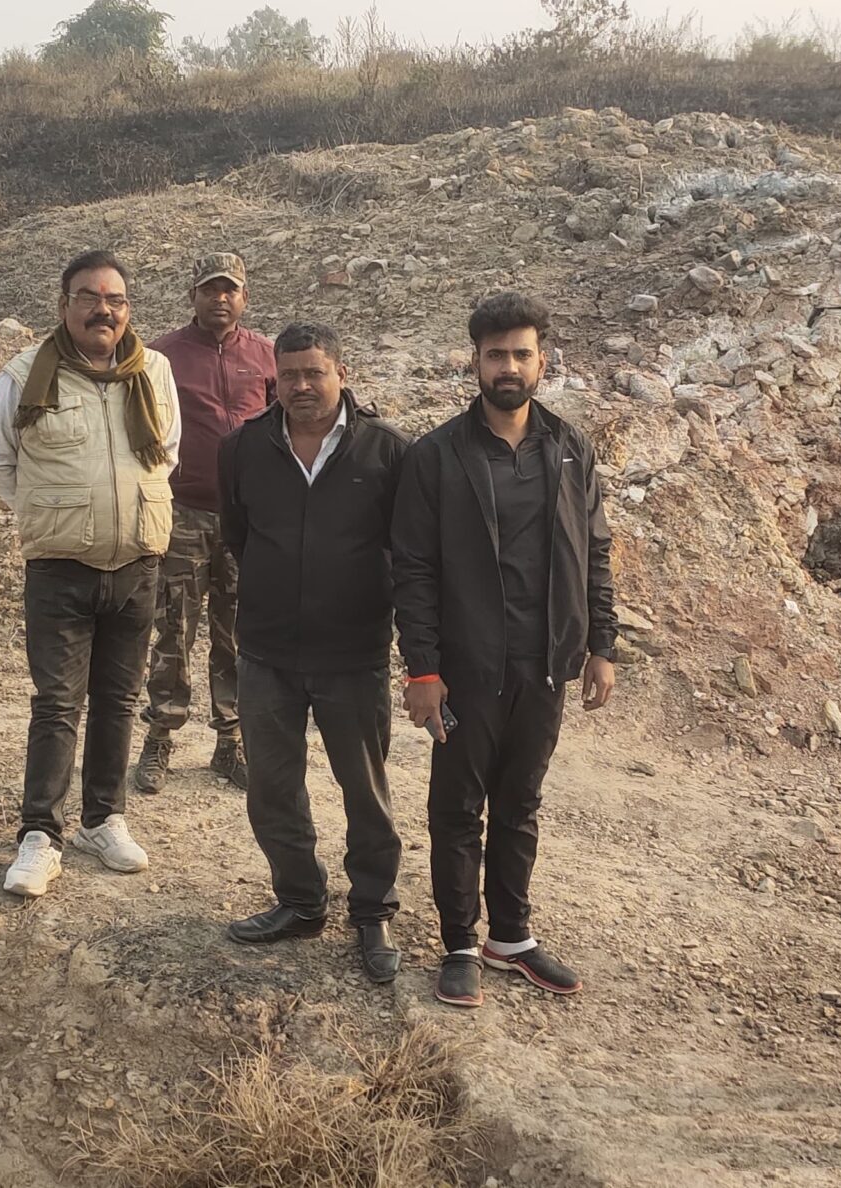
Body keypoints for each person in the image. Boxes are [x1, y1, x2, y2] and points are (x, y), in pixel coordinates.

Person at [391, 291, 618, 1010]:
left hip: (544, 664)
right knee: (457, 807)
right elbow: (413, 570)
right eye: (496, 355)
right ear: (476, 362)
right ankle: (460, 942)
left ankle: (511, 938)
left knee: (520, 802)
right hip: (466, 668)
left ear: (542, 361)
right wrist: (423, 669)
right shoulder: (436, 456)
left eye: (522, 354)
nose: (509, 367)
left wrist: (603, 645)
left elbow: (596, 551)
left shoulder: (570, 448)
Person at [0, 249, 182, 898]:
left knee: (119, 700)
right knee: (58, 704)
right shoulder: (23, 375)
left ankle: (102, 819)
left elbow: (167, 455)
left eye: (115, 299)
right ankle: (40, 834)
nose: (103, 310)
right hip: (60, 568)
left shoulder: (155, 372)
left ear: (128, 309)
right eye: (89, 297)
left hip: (138, 564)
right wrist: (56, 512)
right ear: (64, 305)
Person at [217, 322, 411, 983]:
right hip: (266, 653)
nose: (301, 385)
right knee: (272, 789)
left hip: (353, 655)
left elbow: (409, 552)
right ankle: (300, 902)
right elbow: (239, 537)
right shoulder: (243, 448)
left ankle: (373, 912)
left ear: (341, 374)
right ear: (275, 378)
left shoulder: (388, 450)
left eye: (314, 373)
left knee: (365, 792)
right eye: (289, 374)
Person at [134, 253, 274, 794]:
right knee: (174, 628)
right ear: (192, 295)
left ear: (245, 297)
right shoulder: (160, 356)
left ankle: (230, 743)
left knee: (237, 632)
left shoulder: (265, 356)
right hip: (182, 513)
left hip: (246, 519)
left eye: (230, 289)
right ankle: (160, 738)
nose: (220, 298)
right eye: (210, 289)